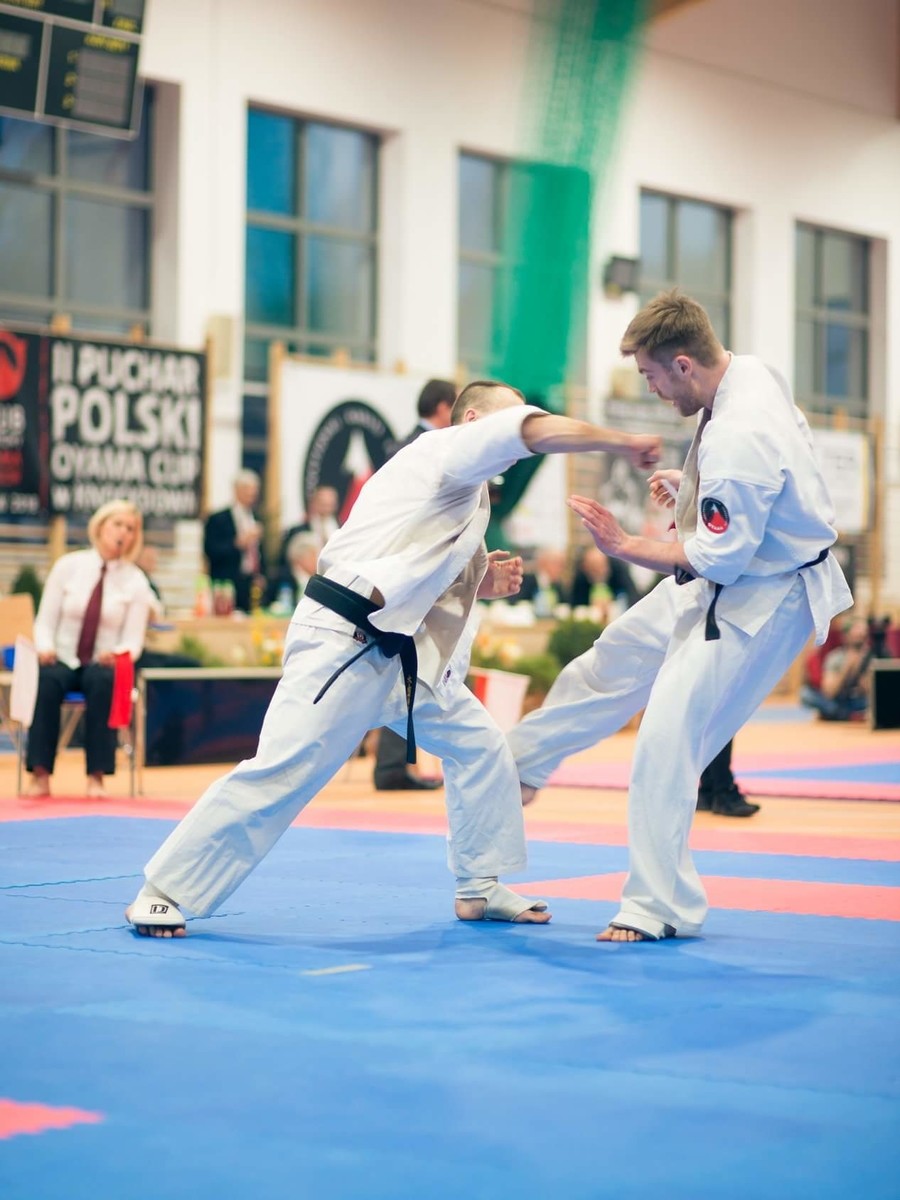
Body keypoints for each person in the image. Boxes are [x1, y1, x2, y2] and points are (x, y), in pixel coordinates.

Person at [124, 379, 662, 937]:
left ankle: (480, 885)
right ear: (473, 420)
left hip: (402, 656)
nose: (522, 427)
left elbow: (420, 576)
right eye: (513, 415)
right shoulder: (446, 450)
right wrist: (619, 441)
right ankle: (165, 890)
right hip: (345, 642)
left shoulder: (469, 491)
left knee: (480, 748)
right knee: (285, 769)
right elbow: (530, 432)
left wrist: (481, 582)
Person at [508, 290, 852, 943]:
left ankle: (657, 906)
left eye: (652, 375)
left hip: (764, 598)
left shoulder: (740, 438)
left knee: (668, 737)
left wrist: (623, 544)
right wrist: (698, 489)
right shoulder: (750, 373)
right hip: (737, 574)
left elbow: (717, 558)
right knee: (610, 660)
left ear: (685, 364)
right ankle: (522, 764)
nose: (653, 389)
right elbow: (777, 471)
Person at [26, 499, 154, 798]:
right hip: (62, 657)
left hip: (102, 662)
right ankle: (40, 774)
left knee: (103, 682)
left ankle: (97, 777)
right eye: (118, 524)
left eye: (131, 529)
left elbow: (133, 640)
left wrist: (118, 654)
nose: (123, 533)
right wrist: (45, 647)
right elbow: (44, 622)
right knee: (47, 680)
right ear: (100, 526)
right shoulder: (68, 566)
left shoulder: (136, 581)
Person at [373, 377, 457, 790]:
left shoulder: (402, 445)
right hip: (407, 570)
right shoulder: (423, 448)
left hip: (401, 568)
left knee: (403, 662)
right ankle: (390, 765)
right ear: (442, 408)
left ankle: (392, 763)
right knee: (404, 661)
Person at [203, 470, 267, 613]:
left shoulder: (256, 518)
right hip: (226, 584)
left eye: (254, 490)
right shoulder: (218, 519)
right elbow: (210, 550)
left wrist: (261, 574)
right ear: (236, 490)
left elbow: (259, 552)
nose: (251, 493)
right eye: (247, 489)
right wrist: (237, 544)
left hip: (251, 584)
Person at [801, 616, 872, 721]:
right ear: (846, 636)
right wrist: (847, 668)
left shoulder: (871, 658)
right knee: (806, 695)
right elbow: (829, 692)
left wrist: (860, 671)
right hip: (837, 701)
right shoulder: (835, 657)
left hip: (859, 701)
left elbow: (872, 692)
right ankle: (847, 715)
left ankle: (838, 714)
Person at [278, 485, 341, 567]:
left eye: (329, 505)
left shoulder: (343, 531)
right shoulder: (297, 532)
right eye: (322, 504)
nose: (326, 509)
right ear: (313, 503)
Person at [263, 532, 320, 610]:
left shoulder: (317, 581)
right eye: (313, 555)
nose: (317, 560)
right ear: (301, 557)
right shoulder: (281, 578)